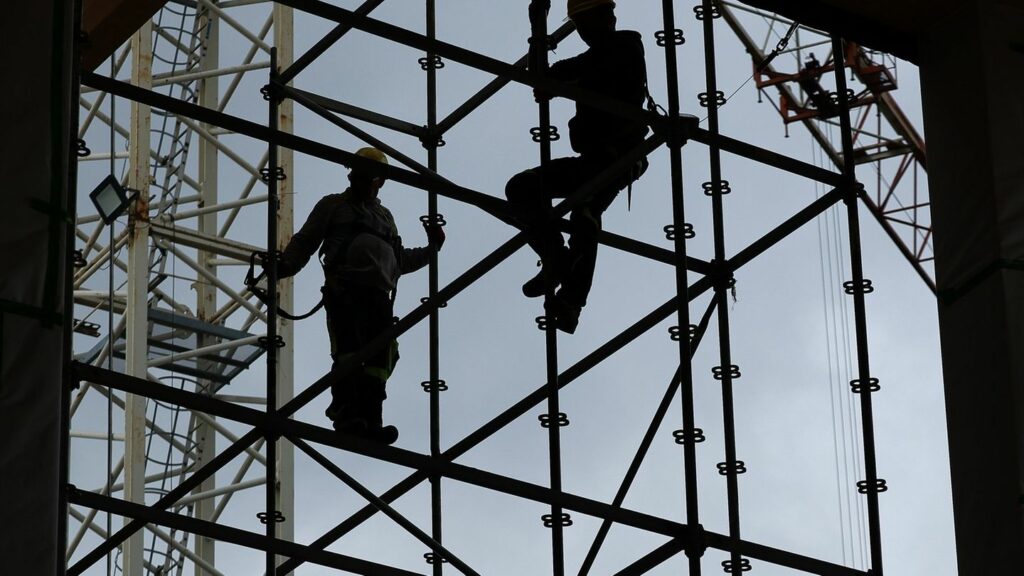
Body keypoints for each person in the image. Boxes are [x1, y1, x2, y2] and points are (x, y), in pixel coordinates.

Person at [272, 147, 445, 444]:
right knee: (350, 352)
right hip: (346, 291)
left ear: (380, 181)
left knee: (379, 359)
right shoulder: (333, 205)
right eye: (359, 173)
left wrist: (432, 250)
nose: (363, 179)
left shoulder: (385, 216)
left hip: (379, 296)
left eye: (369, 175)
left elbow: (398, 260)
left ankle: (371, 420)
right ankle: (348, 416)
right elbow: (306, 240)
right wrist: (285, 266)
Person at [505, 0, 650, 334]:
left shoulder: (627, 47)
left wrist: (555, 80)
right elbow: (541, 81)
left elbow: (582, 77)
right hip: (592, 162)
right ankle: (557, 258)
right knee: (522, 187)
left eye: (585, 23)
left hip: (619, 158)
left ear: (605, 18)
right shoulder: (590, 59)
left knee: (584, 211)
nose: (583, 32)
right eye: (580, 26)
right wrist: (537, 29)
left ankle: (572, 300)